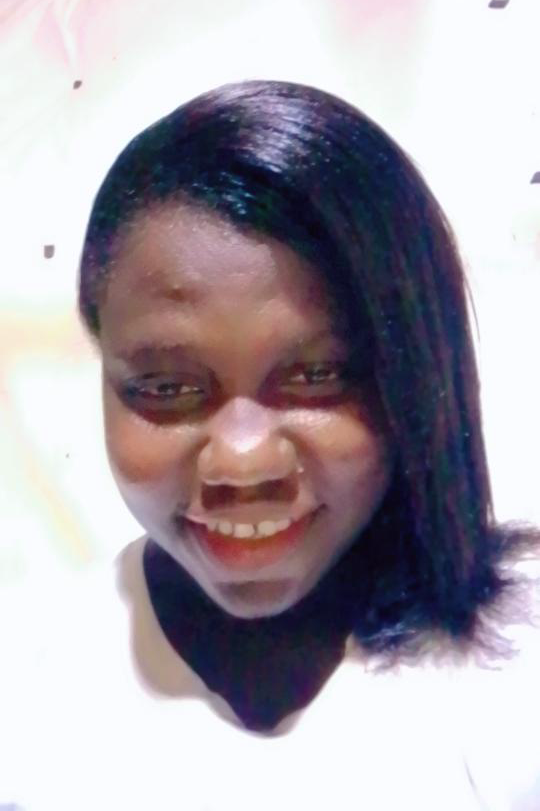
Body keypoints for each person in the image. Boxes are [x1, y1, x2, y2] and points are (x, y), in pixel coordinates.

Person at [2, 80, 540, 810]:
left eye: (318, 376)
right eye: (167, 387)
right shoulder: (30, 694)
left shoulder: (518, 673)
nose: (243, 462)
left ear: (415, 371)